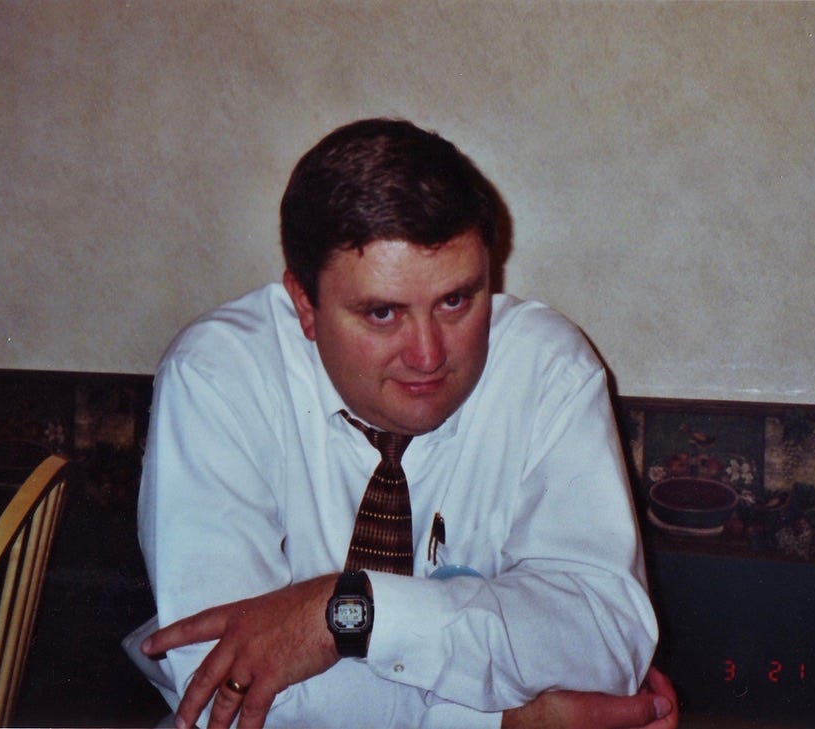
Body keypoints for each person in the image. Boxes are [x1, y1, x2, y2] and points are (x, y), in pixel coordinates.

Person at [135, 118, 678, 729]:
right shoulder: (218, 377)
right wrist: (504, 723)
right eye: (383, 312)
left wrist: (350, 611)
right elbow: (231, 699)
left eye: (456, 301)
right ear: (305, 305)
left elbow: (606, 645)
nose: (428, 355)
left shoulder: (548, 369)